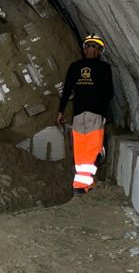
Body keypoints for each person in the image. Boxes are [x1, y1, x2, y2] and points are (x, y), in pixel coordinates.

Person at [56, 34, 114, 195]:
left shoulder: (81, 67)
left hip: (85, 114)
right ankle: (82, 185)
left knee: (86, 150)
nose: (91, 49)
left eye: (94, 46)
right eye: (90, 46)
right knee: (87, 149)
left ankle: (82, 184)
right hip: (88, 114)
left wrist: (61, 112)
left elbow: (67, 90)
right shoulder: (98, 68)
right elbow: (109, 93)